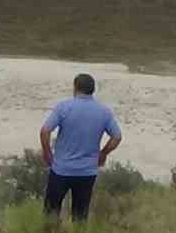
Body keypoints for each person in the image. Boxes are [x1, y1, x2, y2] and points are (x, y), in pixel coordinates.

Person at [39, 72, 123, 221]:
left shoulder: (64, 107)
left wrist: (47, 153)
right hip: (87, 171)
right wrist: (103, 153)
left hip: (61, 170)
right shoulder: (103, 111)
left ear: (75, 88)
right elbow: (116, 137)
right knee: (80, 216)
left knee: (50, 213)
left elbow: (45, 131)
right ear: (93, 90)